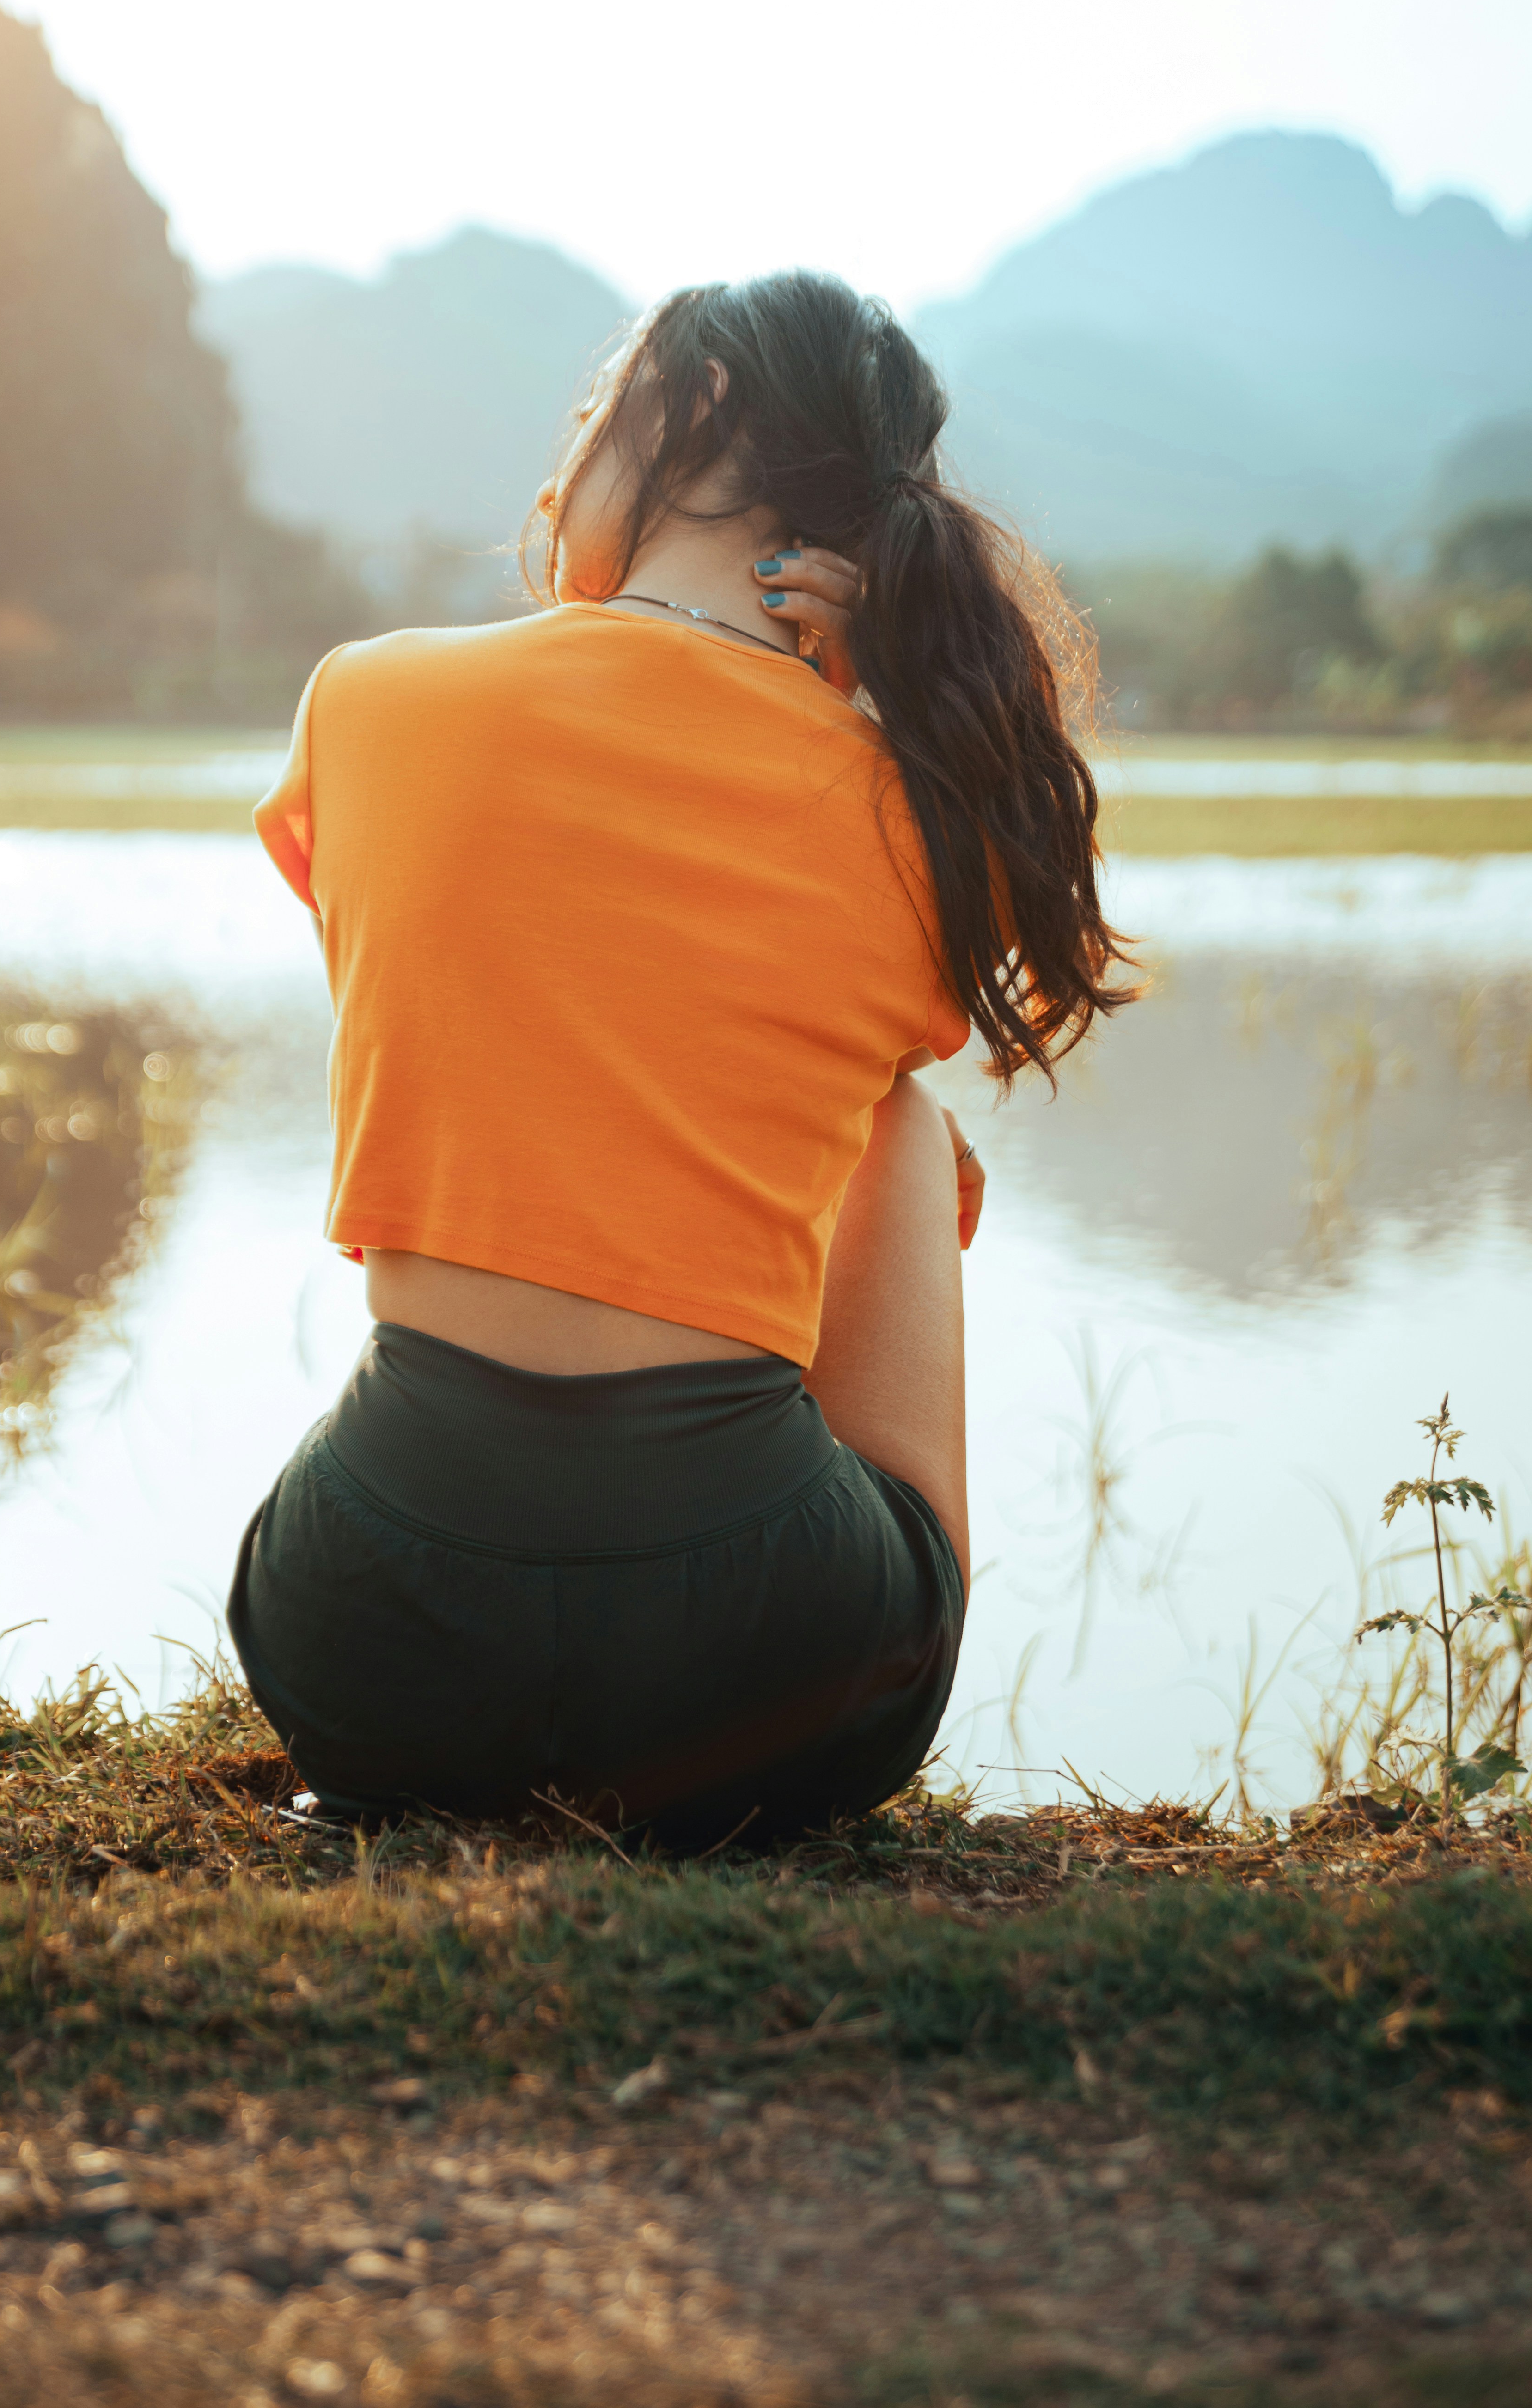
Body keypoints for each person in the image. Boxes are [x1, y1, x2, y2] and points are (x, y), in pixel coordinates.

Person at [232, 270, 1134, 1849]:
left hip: (363, 1637)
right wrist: (871, 704)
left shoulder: (369, 702)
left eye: (591, 419)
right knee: (898, 1115)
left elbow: (480, 1002)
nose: (553, 473)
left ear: (692, 415)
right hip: (766, 1682)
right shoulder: (913, 810)